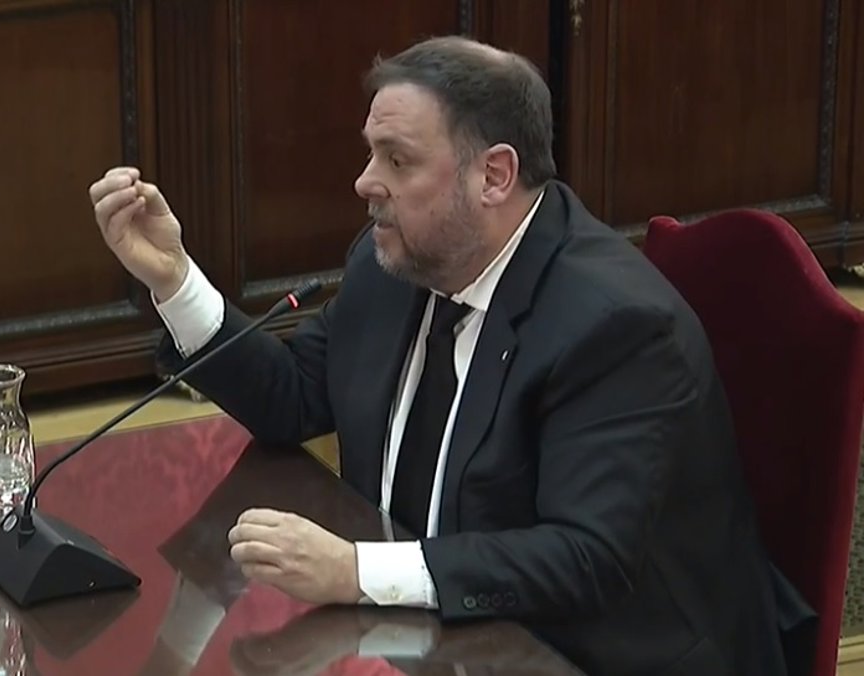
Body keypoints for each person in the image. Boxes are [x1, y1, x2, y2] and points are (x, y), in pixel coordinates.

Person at [88, 35, 812, 676]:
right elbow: (293, 397)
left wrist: (357, 569)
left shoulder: (614, 327)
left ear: (493, 176)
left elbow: (584, 558)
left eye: (397, 160)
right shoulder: (393, 263)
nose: (364, 182)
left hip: (588, 654)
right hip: (426, 641)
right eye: (371, 152)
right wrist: (174, 281)